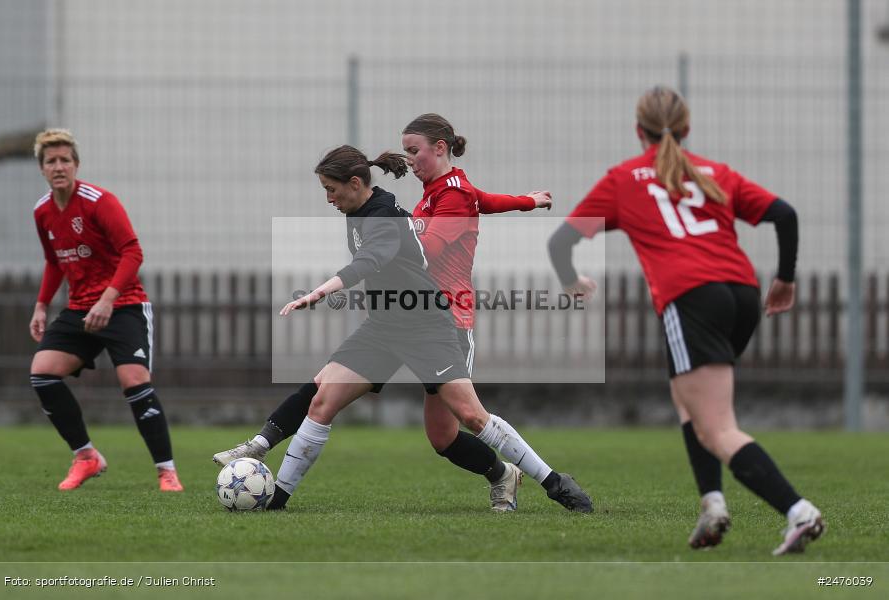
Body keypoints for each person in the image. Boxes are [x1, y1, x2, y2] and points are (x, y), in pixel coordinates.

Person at [216, 119, 565, 514]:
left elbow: (418, 250)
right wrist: (527, 201)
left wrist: (326, 286)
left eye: (415, 150)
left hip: (440, 320)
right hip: (388, 323)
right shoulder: (431, 193)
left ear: (439, 148)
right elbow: (481, 200)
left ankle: (537, 479)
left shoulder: (436, 200)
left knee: (455, 428)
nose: (409, 159)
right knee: (322, 395)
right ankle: (272, 485)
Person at [548, 86, 823, 555]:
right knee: (689, 402)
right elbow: (786, 215)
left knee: (718, 428)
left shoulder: (623, 179)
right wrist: (786, 280)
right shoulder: (714, 172)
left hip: (691, 299)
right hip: (741, 295)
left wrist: (573, 281)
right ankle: (713, 505)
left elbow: (560, 242)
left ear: (639, 131)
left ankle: (799, 512)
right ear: (687, 128)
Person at [29, 129, 182, 492]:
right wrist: (40, 306)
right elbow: (54, 261)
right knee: (42, 373)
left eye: (65, 159)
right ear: (43, 169)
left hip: (124, 304)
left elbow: (133, 252)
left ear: (76, 165)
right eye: (51, 161)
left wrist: (107, 299)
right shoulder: (43, 212)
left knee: (134, 381)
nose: (59, 166)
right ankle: (86, 456)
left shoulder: (99, 201)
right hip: (81, 308)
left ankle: (166, 472)